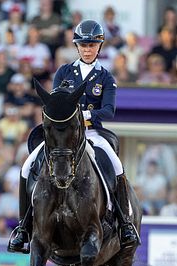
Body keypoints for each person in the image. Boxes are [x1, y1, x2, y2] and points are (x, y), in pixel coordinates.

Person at [8, 20, 140, 254]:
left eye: (92, 45)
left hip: (92, 132)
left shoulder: (106, 78)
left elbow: (108, 111)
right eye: (83, 45)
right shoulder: (64, 72)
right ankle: (23, 228)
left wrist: (83, 114)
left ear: (99, 47)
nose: (87, 49)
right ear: (77, 47)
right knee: (27, 166)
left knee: (116, 164)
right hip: (64, 135)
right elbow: (56, 102)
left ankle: (124, 224)